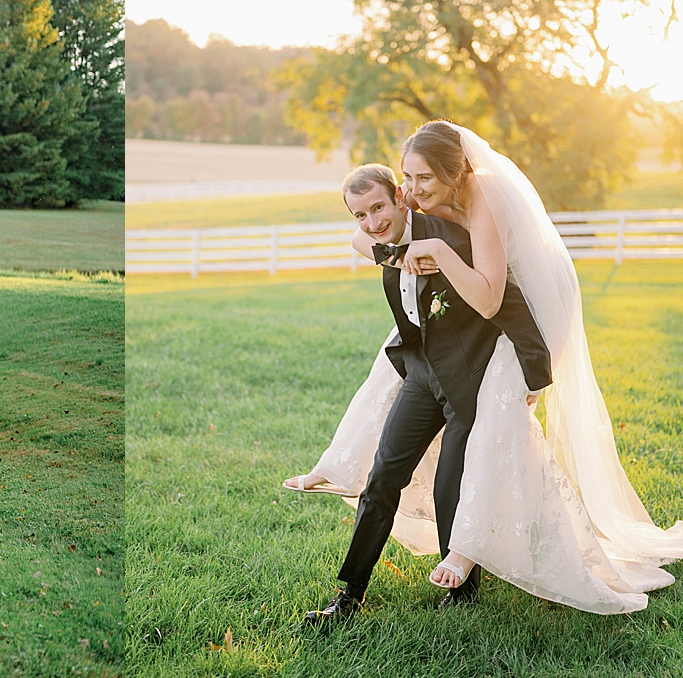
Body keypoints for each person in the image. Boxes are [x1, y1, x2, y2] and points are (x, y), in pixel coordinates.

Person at [290, 121, 683, 618]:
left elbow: (504, 301)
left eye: (420, 180)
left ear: (453, 175)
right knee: (384, 472)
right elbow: (363, 232)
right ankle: (348, 594)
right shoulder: (405, 202)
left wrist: (532, 370)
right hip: (425, 364)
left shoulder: (481, 210)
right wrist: (394, 249)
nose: (410, 192)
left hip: (478, 366)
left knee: (452, 479)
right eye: (406, 181)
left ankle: (462, 590)